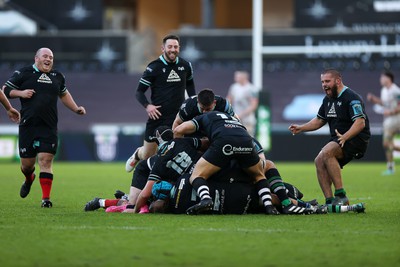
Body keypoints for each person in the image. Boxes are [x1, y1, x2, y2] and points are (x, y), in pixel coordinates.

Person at [3, 47, 86, 208]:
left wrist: (76, 108)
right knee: (27, 166)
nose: (48, 59)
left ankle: (45, 199)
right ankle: (29, 178)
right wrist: (21, 93)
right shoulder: (23, 73)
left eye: (51, 57)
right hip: (28, 126)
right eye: (45, 56)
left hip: (49, 126)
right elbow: (5, 90)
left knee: (45, 161)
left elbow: (64, 94)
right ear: (36, 58)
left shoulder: (57, 76)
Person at [289, 69, 370, 206]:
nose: (324, 85)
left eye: (327, 81)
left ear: (338, 81)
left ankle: (341, 196)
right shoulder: (328, 99)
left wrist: (345, 137)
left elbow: (360, 122)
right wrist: (301, 128)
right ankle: (329, 201)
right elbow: (320, 120)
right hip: (339, 139)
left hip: (356, 139)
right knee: (319, 160)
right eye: (322, 82)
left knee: (327, 152)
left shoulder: (352, 98)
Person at [174, 111, 279, 215]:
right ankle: (269, 206)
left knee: (197, 175)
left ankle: (206, 199)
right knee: (259, 175)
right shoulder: (233, 119)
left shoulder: (204, 117)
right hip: (246, 140)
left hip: (224, 142)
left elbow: (179, 130)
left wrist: (177, 147)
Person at [125, 34, 196, 172]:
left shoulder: (186, 66)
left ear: (179, 48)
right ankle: (137, 153)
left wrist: (193, 107)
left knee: (175, 154)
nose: (173, 49)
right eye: (169, 46)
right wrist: (148, 106)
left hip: (178, 118)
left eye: (175, 47)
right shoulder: (154, 67)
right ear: (163, 48)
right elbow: (139, 92)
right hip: (157, 117)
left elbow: (191, 90)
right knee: (147, 155)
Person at [367, 71, 400, 175]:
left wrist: (389, 112)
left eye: (382, 77)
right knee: (387, 144)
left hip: (396, 118)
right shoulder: (384, 90)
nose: (381, 79)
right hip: (388, 120)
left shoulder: (396, 90)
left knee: (387, 144)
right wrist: (374, 100)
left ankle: (390, 168)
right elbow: (384, 103)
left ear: (388, 78)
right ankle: (390, 167)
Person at [172, 88, 236, 130]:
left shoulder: (223, 105)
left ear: (214, 102)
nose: (204, 112)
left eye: (208, 109)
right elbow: (177, 123)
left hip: (216, 131)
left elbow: (235, 120)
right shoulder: (188, 106)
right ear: (198, 101)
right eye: (202, 109)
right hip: (193, 132)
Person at [226, 71, 259, 136]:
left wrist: (241, 115)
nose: (235, 78)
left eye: (238, 76)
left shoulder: (251, 89)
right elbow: (229, 99)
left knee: (248, 138)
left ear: (243, 77)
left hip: (247, 120)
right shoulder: (234, 87)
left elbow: (254, 105)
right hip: (235, 118)